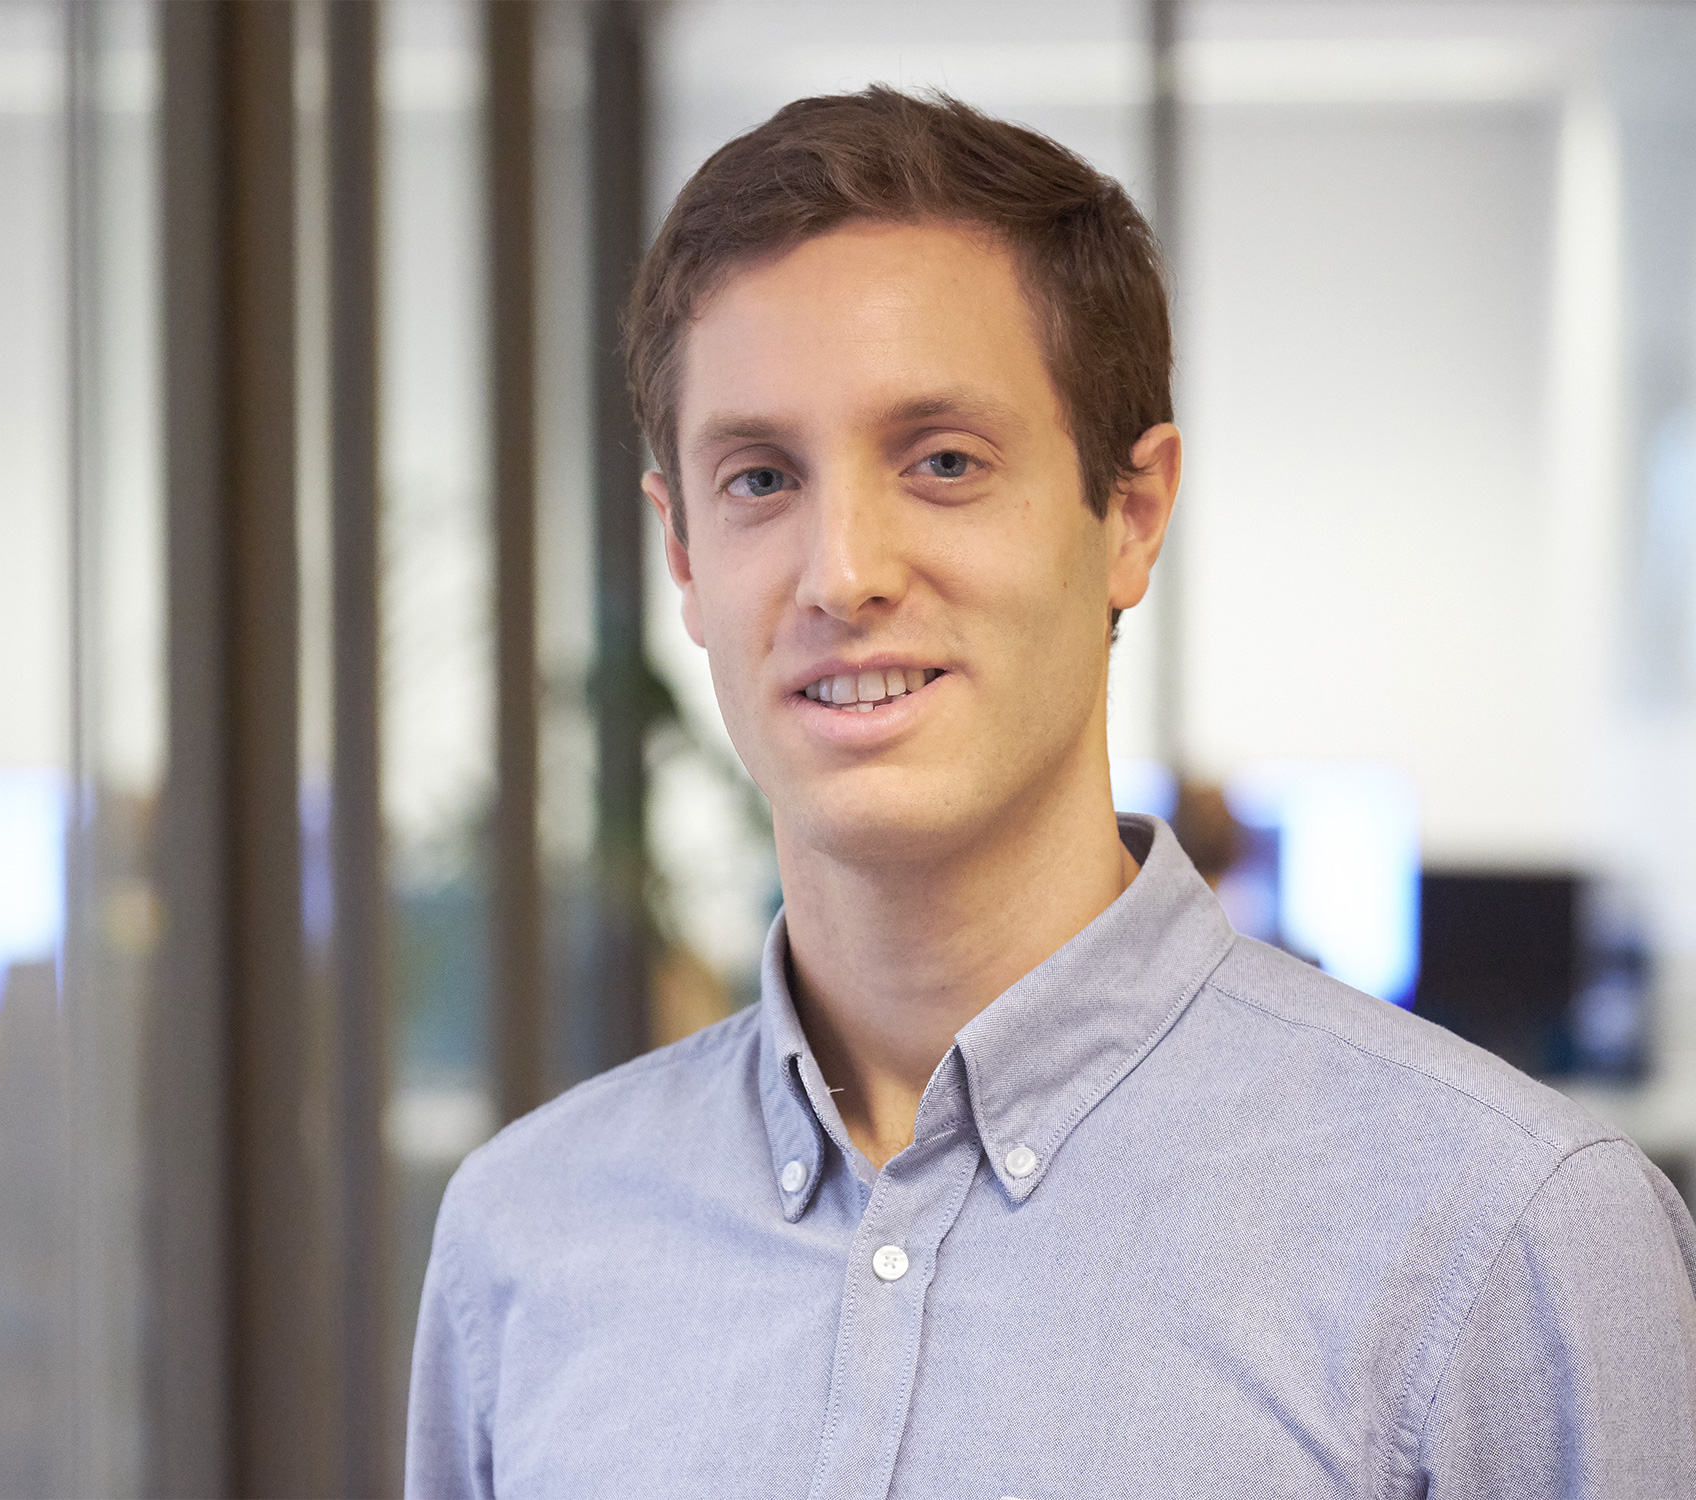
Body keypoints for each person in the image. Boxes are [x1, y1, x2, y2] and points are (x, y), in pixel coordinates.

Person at [406, 88, 1696, 1499]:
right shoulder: (524, 1241)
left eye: (944, 462)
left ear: (1132, 516)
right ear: (684, 557)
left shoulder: (1501, 1233)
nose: (844, 573)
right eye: (761, 477)